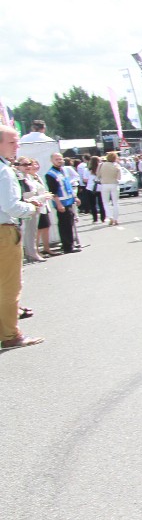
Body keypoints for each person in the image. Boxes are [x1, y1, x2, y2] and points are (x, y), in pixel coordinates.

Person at [1, 125, 45, 351]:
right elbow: (11, 206)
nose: (17, 146)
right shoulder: (4, 171)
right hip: (4, 231)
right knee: (9, 285)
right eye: (12, 142)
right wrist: (31, 206)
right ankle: (10, 335)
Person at [45, 153, 78, 253]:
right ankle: (68, 247)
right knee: (64, 225)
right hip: (62, 203)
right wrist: (58, 204)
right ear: (52, 161)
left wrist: (75, 197)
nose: (59, 161)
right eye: (57, 159)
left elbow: (68, 186)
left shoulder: (63, 170)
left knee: (69, 223)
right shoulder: (50, 174)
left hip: (69, 201)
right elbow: (53, 191)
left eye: (60, 159)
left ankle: (69, 244)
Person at [98, 151, 123, 226]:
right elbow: (119, 177)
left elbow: (98, 175)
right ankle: (116, 219)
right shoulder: (117, 166)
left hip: (104, 184)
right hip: (114, 184)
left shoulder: (101, 165)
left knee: (105, 202)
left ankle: (110, 217)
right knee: (115, 202)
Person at [85, 155, 105, 223]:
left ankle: (95, 219)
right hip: (100, 187)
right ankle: (103, 218)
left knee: (92, 204)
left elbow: (85, 180)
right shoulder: (102, 169)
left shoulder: (87, 170)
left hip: (90, 188)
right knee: (101, 203)